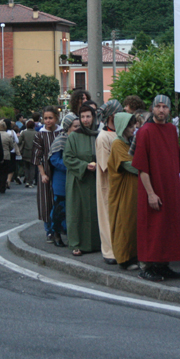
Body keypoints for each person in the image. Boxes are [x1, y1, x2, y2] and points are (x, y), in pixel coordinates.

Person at [131, 95, 180, 282]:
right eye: (158, 106)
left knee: (168, 226)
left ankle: (163, 265)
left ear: (169, 110)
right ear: (152, 108)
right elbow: (142, 167)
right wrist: (150, 193)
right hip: (153, 187)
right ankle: (146, 267)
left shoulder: (171, 130)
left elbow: (174, 162)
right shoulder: (145, 131)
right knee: (152, 227)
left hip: (170, 187)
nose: (161, 110)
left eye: (165, 107)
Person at [64, 104, 101, 256]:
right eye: (83, 117)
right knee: (77, 212)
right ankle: (76, 243)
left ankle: (96, 243)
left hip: (96, 179)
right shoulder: (74, 136)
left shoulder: (99, 135)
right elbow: (67, 158)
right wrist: (84, 166)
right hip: (78, 180)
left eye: (88, 116)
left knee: (95, 211)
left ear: (94, 118)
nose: (86, 120)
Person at [107, 112, 140, 271]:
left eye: (133, 125)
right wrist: (147, 169)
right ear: (122, 127)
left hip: (133, 190)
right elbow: (129, 166)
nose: (133, 128)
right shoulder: (117, 143)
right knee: (124, 223)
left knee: (133, 223)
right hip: (122, 191)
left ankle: (134, 256)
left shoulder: (129, 142)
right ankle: (124, 258)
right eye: (130, 126)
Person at [95, 99, 123, 264]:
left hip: (121, 183)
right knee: (107, 217)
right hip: (108, 184)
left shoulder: (121, 133)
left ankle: (121, 249)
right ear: (112, 115)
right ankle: (109, 252)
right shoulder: (103, 137)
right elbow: (105, 165)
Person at [48, 113, 78, 247]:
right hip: (61, 179)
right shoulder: (61, 140)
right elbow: (54, 160)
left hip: (76, 178)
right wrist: (71, 166)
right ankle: (56, 233)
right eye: (75, 126)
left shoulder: (79, 139)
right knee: (60, 208)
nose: (78, 128)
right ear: (68, 127)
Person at [32, 106, 62, 241]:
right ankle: (49, 230)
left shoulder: (62, 132)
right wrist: (43, 174)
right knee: (46, 201)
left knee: (59, 200)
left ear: (56, 118)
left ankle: (59, 229)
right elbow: (37, 156)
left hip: (59, 170)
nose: (48, 121)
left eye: (50, 118)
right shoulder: (40, 134)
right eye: (45, 118)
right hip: (45, 170)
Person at [18, 120, 37, 187]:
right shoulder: (36, 133)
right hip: (33, 152)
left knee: (26, 167)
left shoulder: (24, 133)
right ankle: (31, 182)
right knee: (32, 167)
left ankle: (27, 181)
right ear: (33, 126)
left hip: (25, 152)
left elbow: (19, 141)